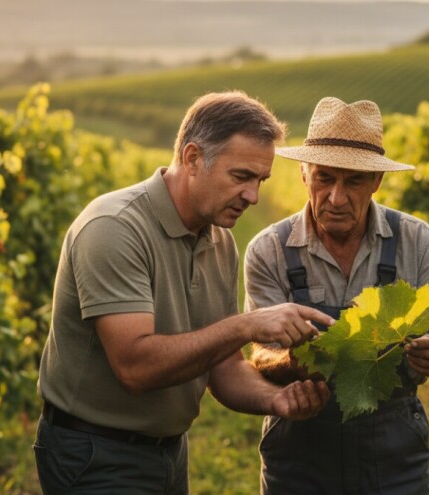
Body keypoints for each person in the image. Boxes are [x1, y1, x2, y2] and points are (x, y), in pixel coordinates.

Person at [34, 91, 333, 495]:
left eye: (260, 181)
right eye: (241, 176)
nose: (253, 196)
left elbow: (223, 368)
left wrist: (275, 401)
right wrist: (246, 325)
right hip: (95, 453)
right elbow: (136, 369)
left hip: (169, 452)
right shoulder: (114, 228)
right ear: (192, 159)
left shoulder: (220, 241)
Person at [245, 96, 429, 494]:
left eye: (353, 181)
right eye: (324, 179)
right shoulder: (269, 250)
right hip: (301, 454)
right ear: (304, 175)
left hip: (394, 453)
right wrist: (298, 362)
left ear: (377, 182)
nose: (336, 198)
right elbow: (260, 355)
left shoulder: (416, 242)